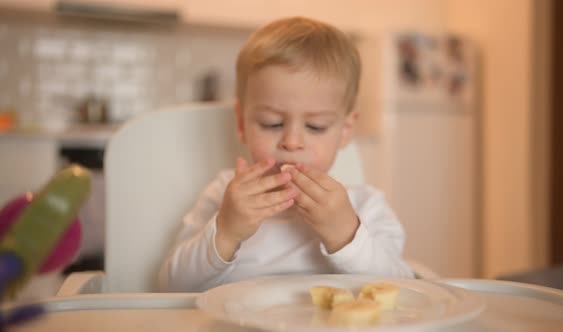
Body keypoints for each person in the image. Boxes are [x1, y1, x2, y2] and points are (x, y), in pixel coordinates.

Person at [159, 16, 414, 292]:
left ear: (344, 131)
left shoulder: (366, 207)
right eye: (272, 123)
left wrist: (346, 234)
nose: (292, 142)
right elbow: (172, 286)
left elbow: (402, 288)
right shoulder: (224, 196)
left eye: (316, 126)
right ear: (242, 124)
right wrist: (226, 231)